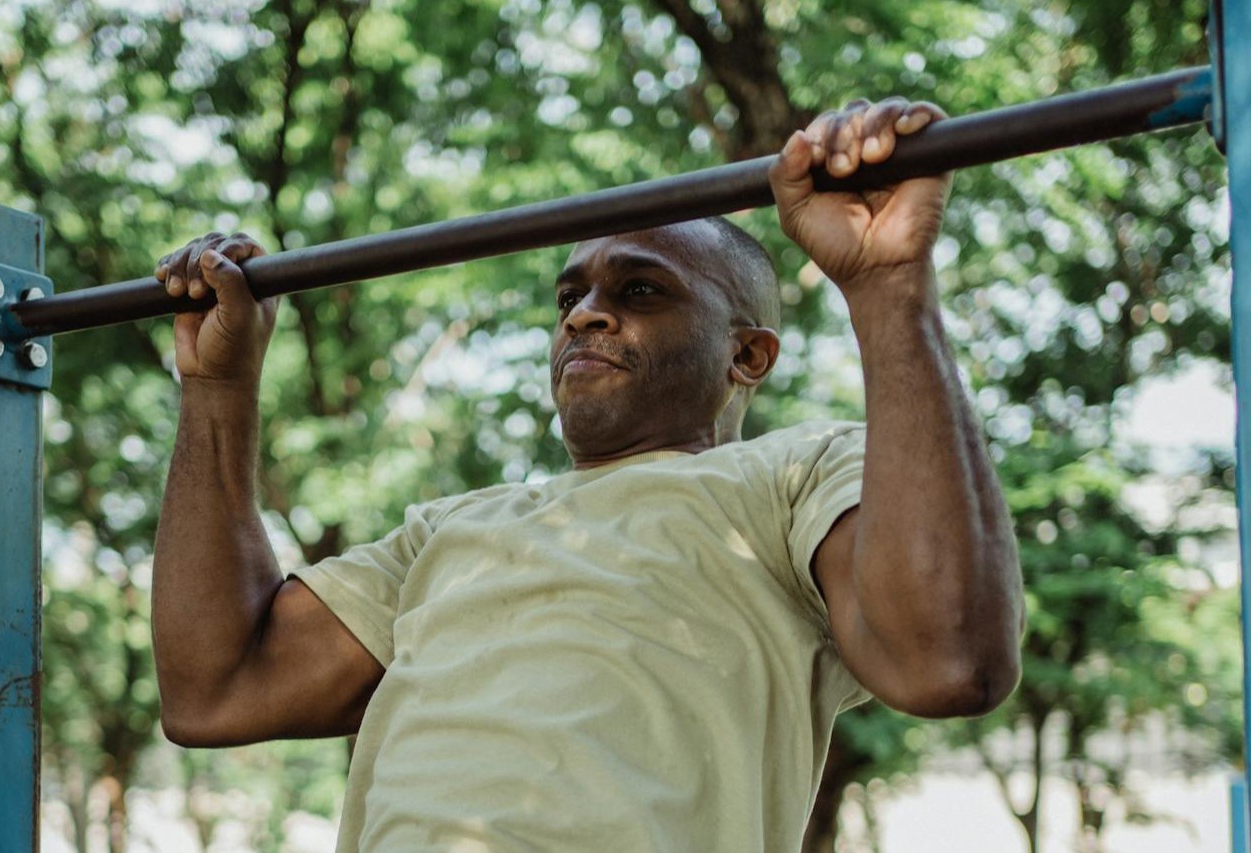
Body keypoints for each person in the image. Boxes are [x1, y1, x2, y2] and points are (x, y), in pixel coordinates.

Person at [151, 98, 1024, 852]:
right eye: (569, 297)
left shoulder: (792, 479)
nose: (587, 314)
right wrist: (217, 388)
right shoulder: (450, 532)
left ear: (748, 354)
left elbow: (948, 658)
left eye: (641, 291)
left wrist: (886, 284)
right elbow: (214, 688)